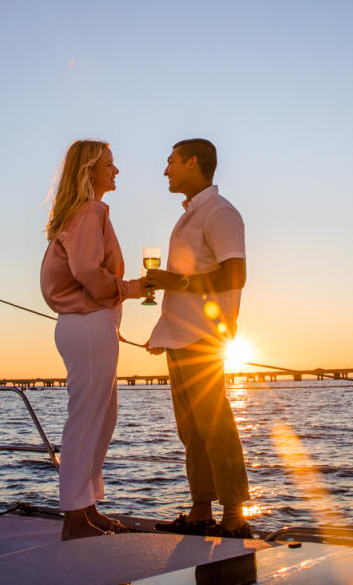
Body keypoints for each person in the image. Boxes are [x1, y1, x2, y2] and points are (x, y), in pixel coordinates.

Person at [143, 138, 252, 539]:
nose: (166, 169)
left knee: (215, 425)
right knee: (191, 430)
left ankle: (235, 518)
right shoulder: (192, 214)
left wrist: (178, 281)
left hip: (203, 337)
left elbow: (236, 275)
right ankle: (201, 511)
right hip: (179, 336)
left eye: (171, 161)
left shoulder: (220, 213)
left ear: (193, 163)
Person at [40, 139, 144, 540]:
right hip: (87, 323)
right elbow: (87, 269)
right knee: (88, 418)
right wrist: (131, 287)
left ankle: (87, 505)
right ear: (89, 172)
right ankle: (74, 517)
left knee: (102, 418)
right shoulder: (91, 211)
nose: (115, 172)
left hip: (87, 323)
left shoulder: (81, 213)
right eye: (109, 165)